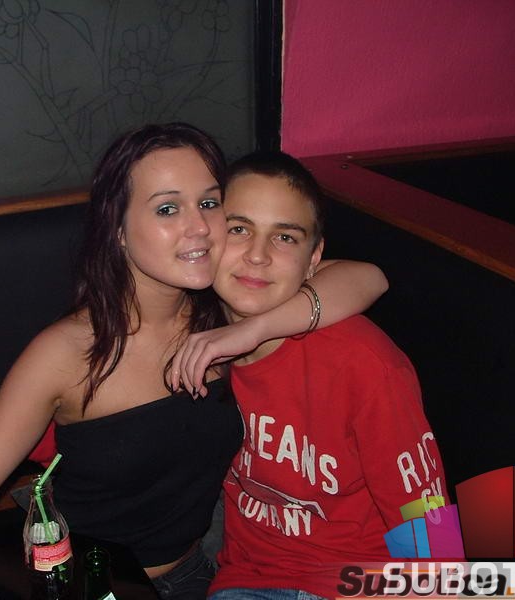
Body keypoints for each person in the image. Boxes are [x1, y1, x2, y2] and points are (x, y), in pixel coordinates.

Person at [0, 124, 388, 600]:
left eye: (208, 203)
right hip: (91, 580)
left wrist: (251, 329)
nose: (198, 227)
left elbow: (367, 278)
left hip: (205, 573)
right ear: (119, 229)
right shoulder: (67, 353)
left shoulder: (230, 307)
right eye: (167, 209)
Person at [175, 151, 446, 599]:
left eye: (284, 237)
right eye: (239, 229)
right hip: (251, 580)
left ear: (314, 257)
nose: (258, 255)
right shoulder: (189, 336)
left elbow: (427, 517)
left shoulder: (362, 362)